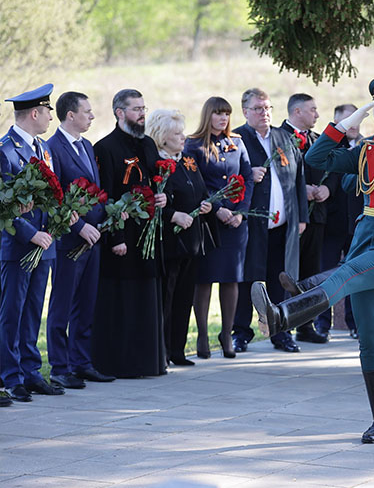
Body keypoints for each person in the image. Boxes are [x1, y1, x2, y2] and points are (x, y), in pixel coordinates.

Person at [251, 78, 374, 443]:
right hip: (364, 242)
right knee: (370, 338)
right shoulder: (367, 151)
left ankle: (282, 315)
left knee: (348, 272)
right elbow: (315, 158)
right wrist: (344, 125)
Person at [92, 88, 168, 378]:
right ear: (119, 112)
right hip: (122, 236)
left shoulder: (148, 143)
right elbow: (106, 196)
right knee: (122, 300)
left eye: (143, 109)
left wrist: (163, 198)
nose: (141, 115)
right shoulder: (105, 148)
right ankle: (121, 364)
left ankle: (149, 362)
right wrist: (116, 238)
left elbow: (156, 179)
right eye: (135, 109)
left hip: (148, 235)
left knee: (147, 298)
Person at [0, 84, 66, 401]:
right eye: (49, 111)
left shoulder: (43, 148)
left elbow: (49, 195)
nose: (52, 117)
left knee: (32, 312)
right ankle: (10, 376)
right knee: (11, 313)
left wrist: (53, 225)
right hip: (18, 246)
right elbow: (3, 206)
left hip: (44, 243)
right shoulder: (6, 150)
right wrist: (30, 233)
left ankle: (30, 371)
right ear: (36, 112)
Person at [47, 91, 115, 388]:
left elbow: (95, 192)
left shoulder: (87, 145)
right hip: (69, 241)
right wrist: (79, 228)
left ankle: (81, 362)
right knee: (62, 305)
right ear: (70, 115)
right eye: (87, 111)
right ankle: (60, 367)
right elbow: (54, 197)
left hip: (93, 238)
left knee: (85, 304)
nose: (92, 116)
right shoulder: (53, 148)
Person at [232, 88, 307, 353]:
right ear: (245, 111)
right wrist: (247, 174)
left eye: (267, 108)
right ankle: (240, 332)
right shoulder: (237, 138)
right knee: (248, 279)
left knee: (280, 279)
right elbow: (226, 178)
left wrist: (301, 217)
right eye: (257, 109)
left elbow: (299, 179)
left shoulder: (284, 137)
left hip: (283, 224)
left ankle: (280, 332)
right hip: (251, 223)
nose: (264, 113)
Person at [188, 97, 253, 359]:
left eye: (226, 114)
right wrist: (218, 209)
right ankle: (202, 335)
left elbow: (247, 176)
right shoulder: (194, 145)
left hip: (234, 224)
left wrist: (240, 212)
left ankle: (226, 334)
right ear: (208, 116)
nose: (223, 118)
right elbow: (195, 182)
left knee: (231, 279)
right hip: (208, 222)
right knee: (204, 279)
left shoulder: (236, 142)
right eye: (218, 114)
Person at [146, 109, 213, 366]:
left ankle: (178, 350)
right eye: (176, 133)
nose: (183, 137)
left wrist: (205, 204)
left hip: (192, 239)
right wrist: (173, 215)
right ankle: (162, 350)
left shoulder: (188, 160)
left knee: (185, 296)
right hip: (170, 241)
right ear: (162, 137)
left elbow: (200, 189)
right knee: (168, 296)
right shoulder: (156, 164)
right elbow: (153, 201)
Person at [278, 93, 334, 345]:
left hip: (317, 216)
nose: (317, 114)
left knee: (311, 273)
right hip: (289, 218)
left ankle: (305, 325)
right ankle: (282, 325)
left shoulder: (316, 139)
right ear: (297, 111)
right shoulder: (278, 138)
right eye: (313, 109)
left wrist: (326, 189)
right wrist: (303, 191)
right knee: (287, 273)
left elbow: (332, 169)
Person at [313, 103, 361, 339]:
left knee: (354, 274)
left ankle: (354, 323)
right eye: (348, 121)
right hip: (331, 224)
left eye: (357, 119)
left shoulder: (368, 146)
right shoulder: (330, 147)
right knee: (327, 274)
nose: (354, 125)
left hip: (357, 225)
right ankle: (322, 323)